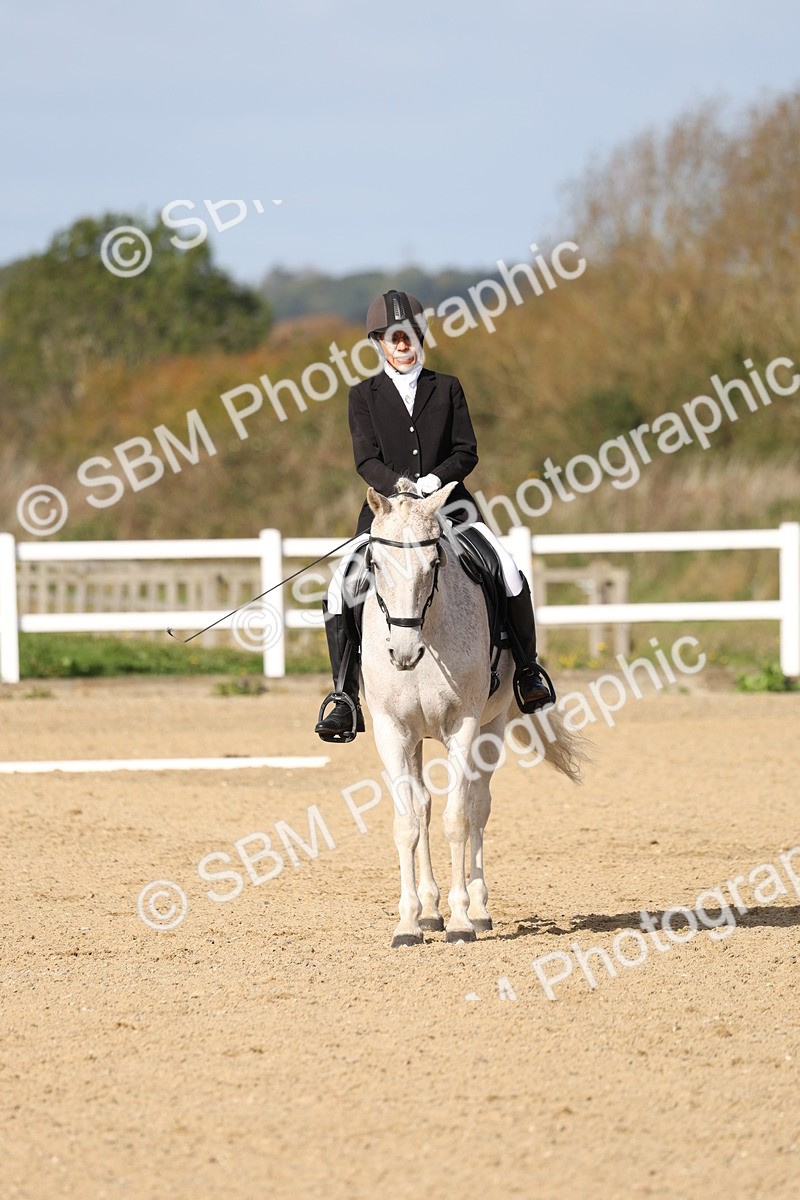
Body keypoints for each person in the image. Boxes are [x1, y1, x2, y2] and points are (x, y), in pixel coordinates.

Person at [314, 289, 553, 742]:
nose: (404, 345)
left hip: (452, 505)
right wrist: (402, 488)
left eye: (410, 336)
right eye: (394, 338)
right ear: (379, 343)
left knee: (508, 571)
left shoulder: (447, 387)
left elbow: (467, 451)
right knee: (337, 588)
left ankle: (526, 672)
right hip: (387, 512)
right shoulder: (363, 396)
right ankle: (344, 696)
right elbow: (365, 461)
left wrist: (434, 483)